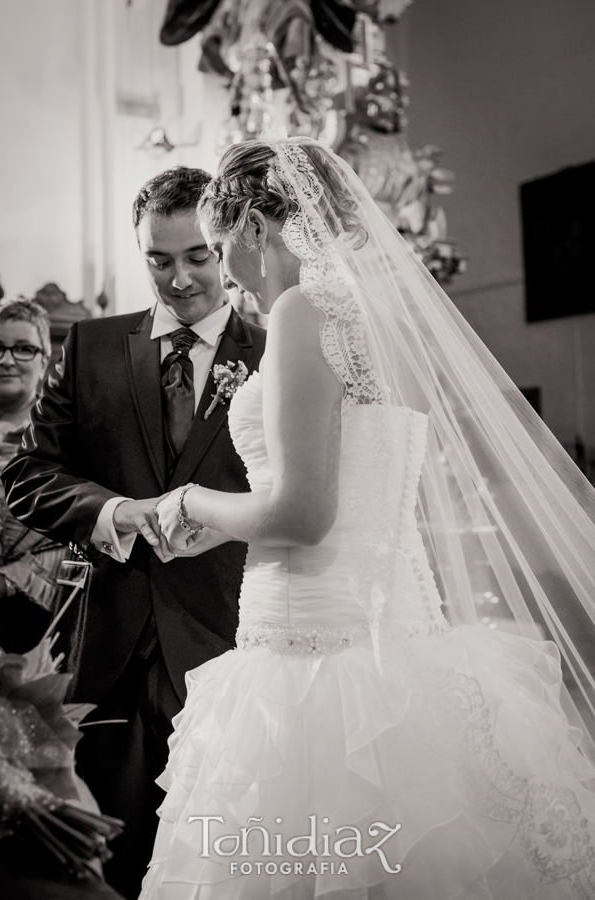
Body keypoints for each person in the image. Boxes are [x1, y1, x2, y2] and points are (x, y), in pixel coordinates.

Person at [140, 135, 595, 899]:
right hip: (400, 642)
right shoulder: (379, 322)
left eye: (219, 246)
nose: (226, 277)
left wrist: (188, 502)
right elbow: (356, 489)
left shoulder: (299, 313)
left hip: (310, 653)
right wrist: (225, 526)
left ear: (252, 227)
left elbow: (305, 513)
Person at [1, 167, 266, 900]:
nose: (178, 279)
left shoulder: (276, 354)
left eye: (196, 257)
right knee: (109, 861)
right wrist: (117, 513)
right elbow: (28, 477)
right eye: (158, 258)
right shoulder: (90, 346)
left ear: (226, 246)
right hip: (106, 648)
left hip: (229, 648)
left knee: (220, 863)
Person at [0, 298, 67, 652]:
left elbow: (77, 542)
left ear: (44, 362)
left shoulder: (62, 438)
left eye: (23, 349)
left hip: (29, 617)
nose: (6, 360)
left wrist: (6, 581)